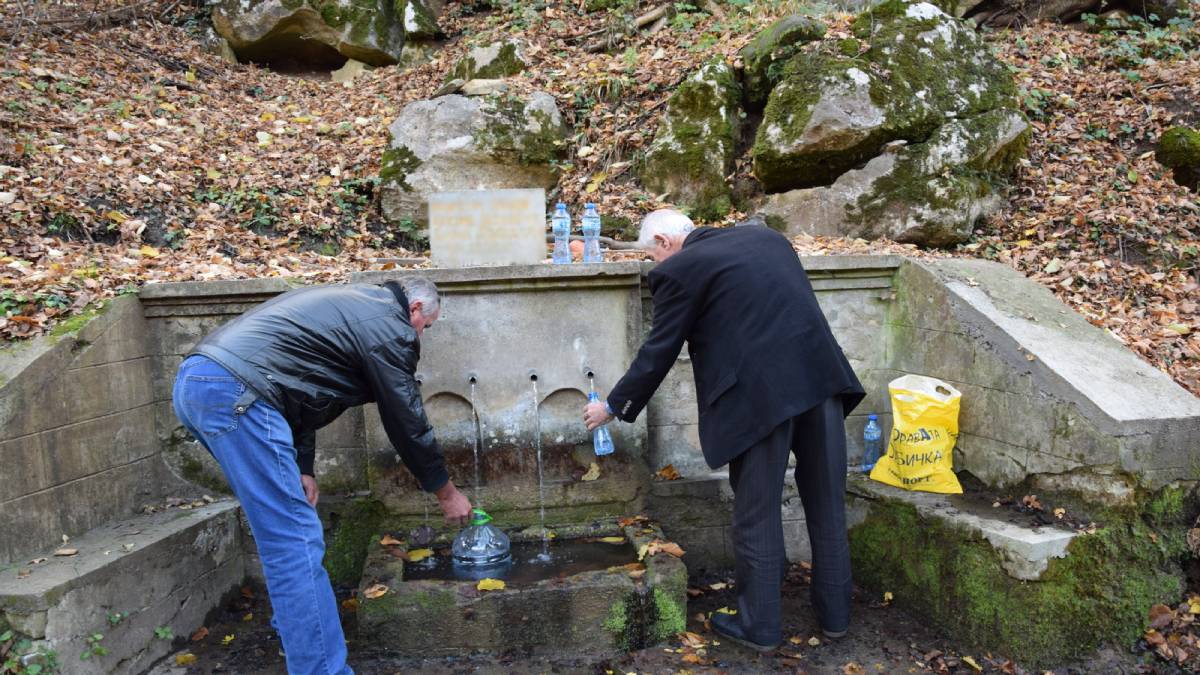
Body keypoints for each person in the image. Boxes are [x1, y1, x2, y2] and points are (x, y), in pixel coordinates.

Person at [583, 210, 864, 651]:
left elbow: (659, 350)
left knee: (757, 514)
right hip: (821, 381)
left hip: (759, 401)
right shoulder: (768, 239)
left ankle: (762, 629)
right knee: (827, 503)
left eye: (651, 254)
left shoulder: (679, 269)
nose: (655, 263)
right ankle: (835, 618)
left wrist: (613, 407)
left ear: (664, 240)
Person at [172, 276, 471, 675]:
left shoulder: (356, 306)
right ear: (415, 309)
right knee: (293, 540)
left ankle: (299, 634)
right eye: (426, 327)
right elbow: (405, 419)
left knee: (286, 531)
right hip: (238, 395)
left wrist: (303, 468)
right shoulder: (389, 327)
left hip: (204, 385)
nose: (421, 336)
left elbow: (302, 389)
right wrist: (445, 492)